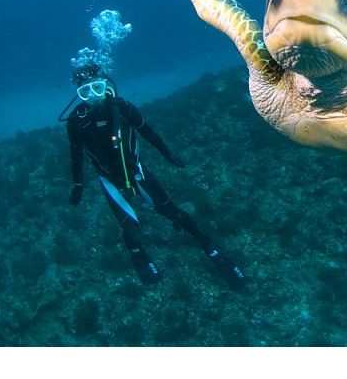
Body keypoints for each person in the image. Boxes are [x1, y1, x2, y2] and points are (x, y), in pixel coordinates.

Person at [65, 62, 246, 288]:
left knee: (173, 212)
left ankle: (207, 244)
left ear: (105, 86)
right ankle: (137, 252)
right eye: (85, 92)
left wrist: (167, 154)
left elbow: (148, 132)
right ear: (79, 94)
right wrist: (78, 185)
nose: (93, 97)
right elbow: (76, 156)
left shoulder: (123, 108)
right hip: (108, 179)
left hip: (135, 170)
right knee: (130, 229)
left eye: (98, 88)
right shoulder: (76, 121)